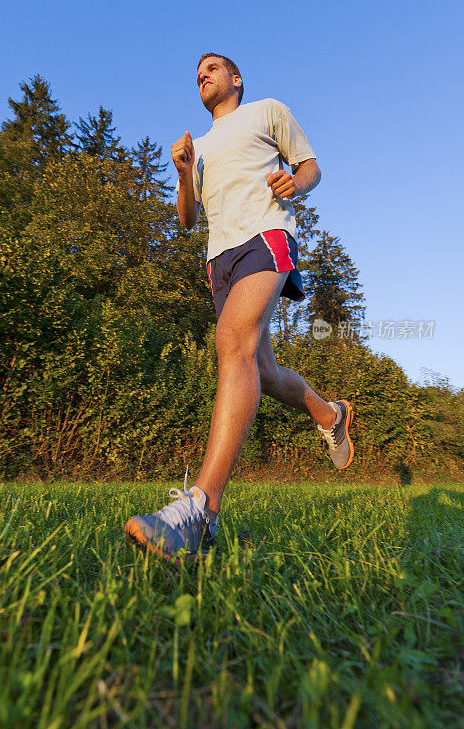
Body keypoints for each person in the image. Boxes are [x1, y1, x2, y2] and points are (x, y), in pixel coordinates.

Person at [124, 53, 354, 560]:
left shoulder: (267, 111)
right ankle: (330, 413)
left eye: (211, 68)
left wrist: (298, 182)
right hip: (220, 257)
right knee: (262, 371)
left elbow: (309, 166)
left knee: (232, 342)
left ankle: (199, 511)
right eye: (196, 74)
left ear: (235, 79)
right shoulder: (198, 147)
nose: (202, 75)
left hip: (265, 235)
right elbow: (186, 218)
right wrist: (183, 172)